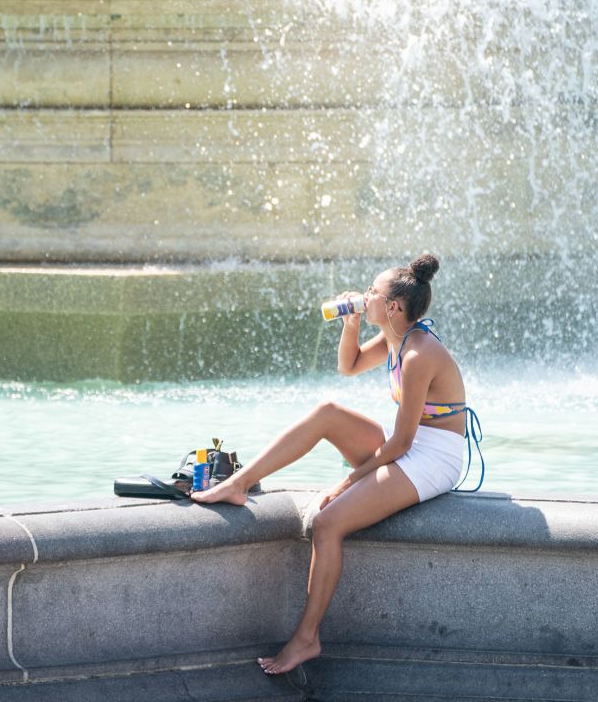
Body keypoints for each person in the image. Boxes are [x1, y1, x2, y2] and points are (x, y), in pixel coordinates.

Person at [191, 253, 475, 675]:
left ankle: (307, 639)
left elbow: (400, 443)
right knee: (327, 411)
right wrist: (352, 324)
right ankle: (240, 481)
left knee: (327, 523)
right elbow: (350, 366)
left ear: (394, 307)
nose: (365, 295)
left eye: (373, 293)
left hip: (434, 457)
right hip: (409, 446)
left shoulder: (419, 354)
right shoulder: (395, 336)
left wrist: (347, 484)